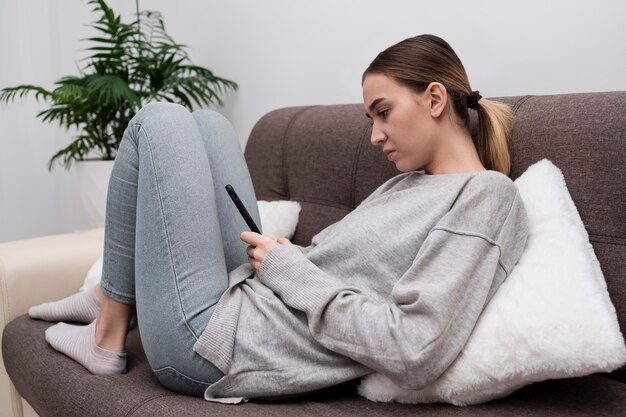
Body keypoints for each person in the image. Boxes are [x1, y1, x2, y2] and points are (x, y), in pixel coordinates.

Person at [29, 34, 528, 403]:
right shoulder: (408, 183)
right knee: (209, 125)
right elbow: (343, 270)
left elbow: (416, 349)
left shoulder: (489, 197)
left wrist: (290, 271)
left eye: (383, 112)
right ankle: (106, 295)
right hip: (246, 296)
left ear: (436, 99)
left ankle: (107, 334)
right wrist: (286, 259)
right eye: (370, 119)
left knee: (154, 122)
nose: (375, 135)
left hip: (219, 345)